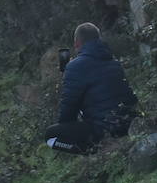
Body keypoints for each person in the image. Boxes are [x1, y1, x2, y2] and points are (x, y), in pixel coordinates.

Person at [45, 22, 137, 155]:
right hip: (128, 122)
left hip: (103, 129)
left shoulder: (75, 67)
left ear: (77, 44)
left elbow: (68, 110)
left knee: (51, 136)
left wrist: (66, 126)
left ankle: (93, 152)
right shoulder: (114, 62)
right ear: (99, 39)